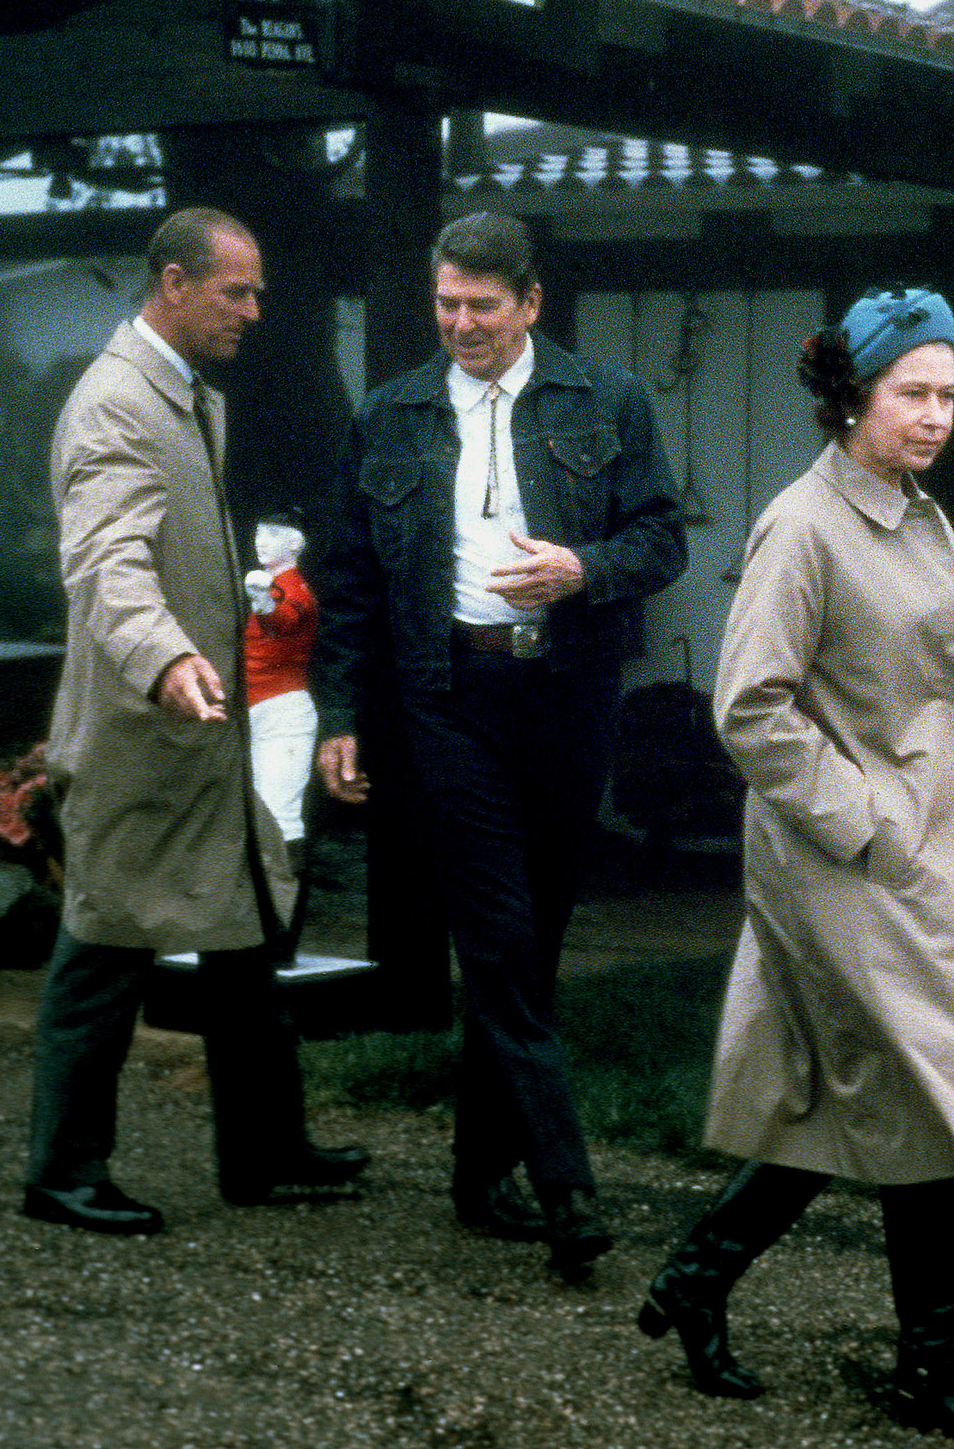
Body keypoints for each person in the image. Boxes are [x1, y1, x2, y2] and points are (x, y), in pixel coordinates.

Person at [637, 288, 954, 1449]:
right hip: (848, 856)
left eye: (948, 395)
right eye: (912, 392)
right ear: (853, 396)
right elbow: (751, 708)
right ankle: (937, 1362)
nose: (934, 416)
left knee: (849, 1093)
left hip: (917, 850)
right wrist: (869, 823)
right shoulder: (805, 524)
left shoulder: (918, 516)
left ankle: (695, 1279)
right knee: (916, 1089)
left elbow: (899, 673)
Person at [311, 211, 685, 1277]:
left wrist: (582, 570)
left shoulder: (606, 400)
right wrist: (341, 716)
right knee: (497, 931)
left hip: (566, 693)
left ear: (531, 303)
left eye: (482, 304)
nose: (460, 323)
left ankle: (480, 1174)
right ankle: (567, 1188)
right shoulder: (389, 415)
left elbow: (659, 536)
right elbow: (350, 584)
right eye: (446, 303)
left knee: (534, 938)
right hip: (447, 695)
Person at [26, 207, 368, 1237]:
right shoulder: (114, 408)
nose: (255, 311)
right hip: (142, 733)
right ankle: (62, 1172)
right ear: (173, 283)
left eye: (258, 291)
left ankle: (263, 1152)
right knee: (101, 944)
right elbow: (104, 565)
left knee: (245, 932)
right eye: (236, 291)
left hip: (202, 731)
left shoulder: (184, 397)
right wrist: (170, 656)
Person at [244, 519, 318, 875]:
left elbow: (283, 619)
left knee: (279, 813)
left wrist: (261, 600)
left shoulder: (294, 588)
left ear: (293, 544)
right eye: (259, 534)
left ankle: (286, 899)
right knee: (264, 806)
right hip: (262, 707)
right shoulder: (277, 583)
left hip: (282, 709)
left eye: (271, 536)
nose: (260, 543)